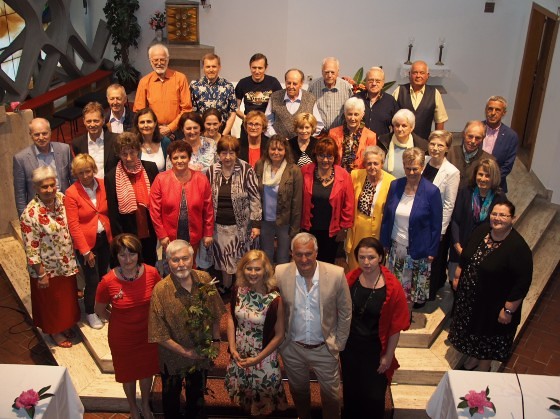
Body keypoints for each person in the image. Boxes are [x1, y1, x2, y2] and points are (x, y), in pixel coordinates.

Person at [449, 201, 532, 372]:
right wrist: (458, 275)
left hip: (494, 306)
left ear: (513, 219)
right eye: (494, 214)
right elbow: (466, 255)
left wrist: (508, 310)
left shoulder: (518, 248)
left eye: (503, 215)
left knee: (486, 338)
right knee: (473, 333)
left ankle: (483, 367)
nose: (497, 218)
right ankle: (472, 358)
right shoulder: (482, 231)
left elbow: (522, 283)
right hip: (471, 301)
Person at [276, 232, 352, 419]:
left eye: (308, 254)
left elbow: (345, 310)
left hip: (324, 348)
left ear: (316, 252)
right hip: (293, 348)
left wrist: (339, 343)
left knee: (332, 398)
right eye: (299, 254)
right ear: (291, 253)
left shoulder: (336, 274)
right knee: (299, 394)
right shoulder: (280, 272)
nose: (304, 259)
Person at [148, 240, 226, 419]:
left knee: (197, 400)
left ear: (193, 258)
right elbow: (158, 333)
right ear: (168, 262)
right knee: (171, 402)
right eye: (175, 260)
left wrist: (215, 340)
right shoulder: (160, 290)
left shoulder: (205, 280)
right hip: (173, 358)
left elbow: (216, 312)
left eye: (185, 258)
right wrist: (186, 352)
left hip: (200, 354)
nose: (181, 264)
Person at [341, 237, 409, 419]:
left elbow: (396, 327)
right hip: (351, 349)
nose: (366, 262)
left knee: (373, 398)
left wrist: (388, 356)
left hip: (375, 351)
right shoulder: (351, 279)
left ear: (380, 257)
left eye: (371, 257)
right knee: (351, 395)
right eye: (362, 257)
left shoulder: (393, 287)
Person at [95, 234, 161, 419]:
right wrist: (118, 319)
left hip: (147, 333)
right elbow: (99, 310)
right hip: (123, 338)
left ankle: (145, 405)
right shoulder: (108, 281)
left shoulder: (151, 273)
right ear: (115, 256)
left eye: (132, 254)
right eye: (122, 255)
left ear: (138, 254)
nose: (128, 260)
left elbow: (160, 300)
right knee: (128, 374)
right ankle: (133, 407)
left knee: (146, 371)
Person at [20, 166, 80, 348]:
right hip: (47, 268)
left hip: (66, 262)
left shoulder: (63, 199)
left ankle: (65, 324)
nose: (49, 190)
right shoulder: (30, 214)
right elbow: (31, 248)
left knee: (66, 299)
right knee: (51, 303)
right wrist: (41, 274)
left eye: (52, 185)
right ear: (36, 188)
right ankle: (55, 332)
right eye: (44, 187)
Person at [225, 250, 288, 416]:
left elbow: (280, 335)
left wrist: (258, 359)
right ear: (242, 269)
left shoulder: (274, 299)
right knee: (245, 403)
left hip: (263, 357)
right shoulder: (238, 291)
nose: (253, 273)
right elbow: (231, 319)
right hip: (240, 354)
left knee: (263, 405)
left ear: (266, 271)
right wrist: (232, 348)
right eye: (249, 268)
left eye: (257, 269)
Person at [381, 147, 443, 310]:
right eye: (408, 168)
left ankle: (406, 317)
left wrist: (432, 250)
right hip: (396, 248)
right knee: (394, 288)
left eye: (415, 168)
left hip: (418, 250)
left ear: (422, 166)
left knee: (411, 291)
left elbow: (437, 224)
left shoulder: (431, 191)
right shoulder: (395, 185)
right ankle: (395, 317)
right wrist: (384, 242)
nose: (411, 172)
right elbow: (387, 217)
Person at [207, 136, 262, 292]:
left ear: (237, 153)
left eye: (231, 153)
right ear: (218, 154)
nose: (228, 157)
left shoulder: (246, 169)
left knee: (240, 260)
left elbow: (255, 197)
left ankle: (241, 290)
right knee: (223, 260)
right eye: (224, 153)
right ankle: (226, 286)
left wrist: (256, 224)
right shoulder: (212, 170)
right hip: (218, 227)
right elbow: (207, 199)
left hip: (241, 227)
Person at [65, 154, 112, 329]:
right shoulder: (71, 193)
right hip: (86, 243)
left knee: (103, 275)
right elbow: (73, 225)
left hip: (104, 238)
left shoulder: (102, 184)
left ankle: (101, 304)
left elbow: (107, 212)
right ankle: (90, 311)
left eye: (88, 171)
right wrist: (85, 251)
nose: (85, 176)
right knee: (91, 279)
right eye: (80, 173)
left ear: (94, 169)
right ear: (75, 174)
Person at [149, 141, 214, 263]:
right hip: (169, 237)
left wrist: (208, 233)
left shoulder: (201, 179)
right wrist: (162, 235)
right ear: (170, 159)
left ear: (189, 158)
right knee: (172, 267)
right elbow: (154, 210)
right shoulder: (160, 179)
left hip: (194, 234)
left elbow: (208, 209)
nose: (180, 161)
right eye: (175, 158)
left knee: (191, 266)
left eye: (183, 157)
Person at [105, 132, 159, 266]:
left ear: (138, 150)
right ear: (118, 154)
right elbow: (113, 212)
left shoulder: (150, 168)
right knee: (132, 267)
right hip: (128, 232)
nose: (129, 158)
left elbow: (159, 201)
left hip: (149, 229)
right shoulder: (111, 177)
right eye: (124, 154)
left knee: (151, 263)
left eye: (132, 152)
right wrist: (120, 239)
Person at [449, 158, 505, 279]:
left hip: (484, 253)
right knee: (456, 284)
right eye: (480, 174)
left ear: (494, 177)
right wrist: (457, 246)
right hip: (461, 249)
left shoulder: (499, 198)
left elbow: (501, 227)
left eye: (487, 175)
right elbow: (455, 221)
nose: (483, 179)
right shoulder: (465, 192)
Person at [301, 137, 354, 264]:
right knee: (308, 261)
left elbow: (349, 204)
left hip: (332, 231)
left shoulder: (343, 175)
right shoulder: (305, 171)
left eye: (329, 156)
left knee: (327, 263)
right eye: (321, 156)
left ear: (335, 157)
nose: (325, 160)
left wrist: (344, 228)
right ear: (316, 155)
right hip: (309, 228)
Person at [345, 146, 395, 270]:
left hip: (378, 230)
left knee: (374, 263)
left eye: (376, 163)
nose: (372, 167)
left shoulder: (392, 182)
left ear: (382, 164)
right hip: (357, 230)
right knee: (356, 264)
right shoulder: (355, 175)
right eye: (368, 163)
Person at [423, 130, 460, 299]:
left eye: (440, 145)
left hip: (435, 224)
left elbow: (448, 204)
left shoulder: (452, 172)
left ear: (447, 148)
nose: (435, 148)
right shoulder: (422, 162)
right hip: (419, 220)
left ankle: (427, 294)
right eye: (432, 144)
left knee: (433, 262)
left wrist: (441, 230)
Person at [255, 135, 302, 264]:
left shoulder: (294, 170)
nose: (276, 152)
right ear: (267, 150)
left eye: (280, 149)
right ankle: (267, 282)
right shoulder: (260, 165)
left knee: (283, 257)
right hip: (264, 220)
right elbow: (254, 195)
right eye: (273, 149)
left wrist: (295, 228)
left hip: (284, 222)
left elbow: (297, 202)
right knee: (266, 256)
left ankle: (282, 283)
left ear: (285, 151)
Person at [13, 118, 73, 216]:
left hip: (65, 205)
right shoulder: (20, 159)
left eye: (44, 133)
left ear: (50, 132)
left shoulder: (64, 150)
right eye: (36, 134)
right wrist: (23, 217)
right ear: (31, 135)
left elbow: (73, 179)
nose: (41, 137)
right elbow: (20, 193)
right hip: (38, 211)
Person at [134, 43, 192, 137]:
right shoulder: (144, 82)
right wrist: (156, 129)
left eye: (162, 60)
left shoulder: (180, 78)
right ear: (150, 61)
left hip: (178, 130)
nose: (159, 63)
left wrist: (170, 128)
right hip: (152, 131)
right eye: (155, 60)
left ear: (168, 60)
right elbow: (140, 111)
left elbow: (187, 109)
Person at [392, 60, 448, 140]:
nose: (418, 76)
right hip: (401, 141)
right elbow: (390, 116)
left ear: (427, 75)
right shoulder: (399, 90)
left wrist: (437, 140)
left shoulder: (435, 93)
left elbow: (440, 120)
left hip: (423, 142)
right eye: (415, 72)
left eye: (422, 73)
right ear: (409, 74)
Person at [235, 53, 282, 141]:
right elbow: (235, 107)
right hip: (248, 126)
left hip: (267, 127)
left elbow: (280, 106)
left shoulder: (273, 82)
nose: (257, 71)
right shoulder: (243, 83)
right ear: (250, 67)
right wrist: (246, 118)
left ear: (266, 67)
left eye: (260, 68)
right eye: (254, 68)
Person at [265, 68, 323, 138]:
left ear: (301, 84)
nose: (291, 86)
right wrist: (276, 138)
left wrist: (306, 137)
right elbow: (267, 122)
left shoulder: (310, 98)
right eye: (288, 83)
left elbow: (318, 125)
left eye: (295, 84)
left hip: (302, 145)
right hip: (280, 146)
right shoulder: (275, 97)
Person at [190, 53, 237, 135]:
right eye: (208, 67)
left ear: (219, 67)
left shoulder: (228, 86)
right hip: (201, 134)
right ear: (203, 68)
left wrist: (223, 135)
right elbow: (192, 112)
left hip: (223, 133)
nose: (211, 70)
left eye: (214, 66)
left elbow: (232, 113)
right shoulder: (194, 86)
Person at [328, 97, 377, 172]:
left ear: (362, 115)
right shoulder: (333, 133)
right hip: (338, 176)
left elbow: (371, 162)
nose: (352, 118)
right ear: (344, 114)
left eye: (356, 114)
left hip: (360, 178)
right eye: (349, 114)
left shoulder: (371, 136)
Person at [72, 101, 119, 178]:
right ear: (84, 121)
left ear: (103, 120)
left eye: (96, 121)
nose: (92, 125)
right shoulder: (77, 143)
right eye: (89, 121)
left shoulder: (116, 140)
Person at [378, 109, 428, 179]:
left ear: (411, 128)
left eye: (404, 126)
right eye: (397, 125)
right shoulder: (382, 141)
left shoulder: (422, 146)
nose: (400, 129)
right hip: (386, 185)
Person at [483, 96, 519, 192]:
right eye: (490, 109)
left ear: (504, 113)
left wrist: (489, 180)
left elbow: (507, 166)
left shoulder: (511, 136)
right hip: (471, 183)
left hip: (496, 186)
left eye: (497, 110)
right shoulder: (475, 128)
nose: (493, 113)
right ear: (486, 110)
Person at [307, 57, 353, 131]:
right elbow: (307, 108)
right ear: (322, 72)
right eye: (327, 72)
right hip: (318, 134)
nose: (329, 75)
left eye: (332, 72)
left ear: (338, 72)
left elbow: (351, 109)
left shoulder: (346, 87)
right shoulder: (313, 86)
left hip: (339, 134)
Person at [447, 120, 496, 189]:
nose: (473, 141)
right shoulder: (449, 153)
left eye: (478, 138)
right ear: (464, 134)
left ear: (483, 139)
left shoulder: (489, 160)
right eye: (470, 136)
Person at [355, 66, 399, 137]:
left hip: (381, 146)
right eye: (371, 80)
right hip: (359, 145)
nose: (374, 84)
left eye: (378, 81)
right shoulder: (356, 99)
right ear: (366, 82)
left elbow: (397, 125)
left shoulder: (390, 101)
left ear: (383, 83)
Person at [134, 107, 171, 172]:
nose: (146, 125)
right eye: (142, 122)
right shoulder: (133, 144)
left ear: (155, 123)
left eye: (149, 121)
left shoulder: (165, 142)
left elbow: (170, 168)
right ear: (137, 125)